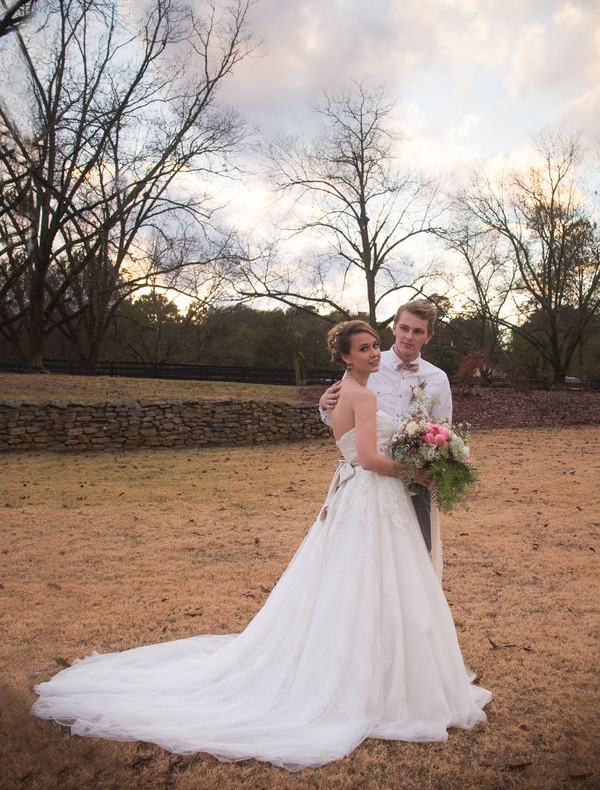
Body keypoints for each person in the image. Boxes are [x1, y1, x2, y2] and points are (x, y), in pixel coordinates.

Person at [32, 320, 491, 772]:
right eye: (367, 347)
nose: (376, 352)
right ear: (348, 356)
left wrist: (432, 453)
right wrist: (416, 472)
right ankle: (376, 679)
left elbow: (363, 438)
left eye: (376, 346)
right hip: (372, 495)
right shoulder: (361, 392)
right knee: (370, 579)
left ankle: (386, 666)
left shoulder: (379, 385)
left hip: (360, 495)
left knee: (361, 581)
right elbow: (368, 456)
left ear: (426, 336)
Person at [320, 300, 451, 569]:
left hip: (414, 484)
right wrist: (323, 404)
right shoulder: (365, 365)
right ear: (394, 327)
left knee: (412, 560)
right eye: (404, 328)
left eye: (417, 331)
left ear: (428, 336)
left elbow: (443, 428)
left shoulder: (437, 379)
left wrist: (435, 462)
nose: (408, 336)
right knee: (362, 559)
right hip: (368, 481)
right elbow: (339, 416)